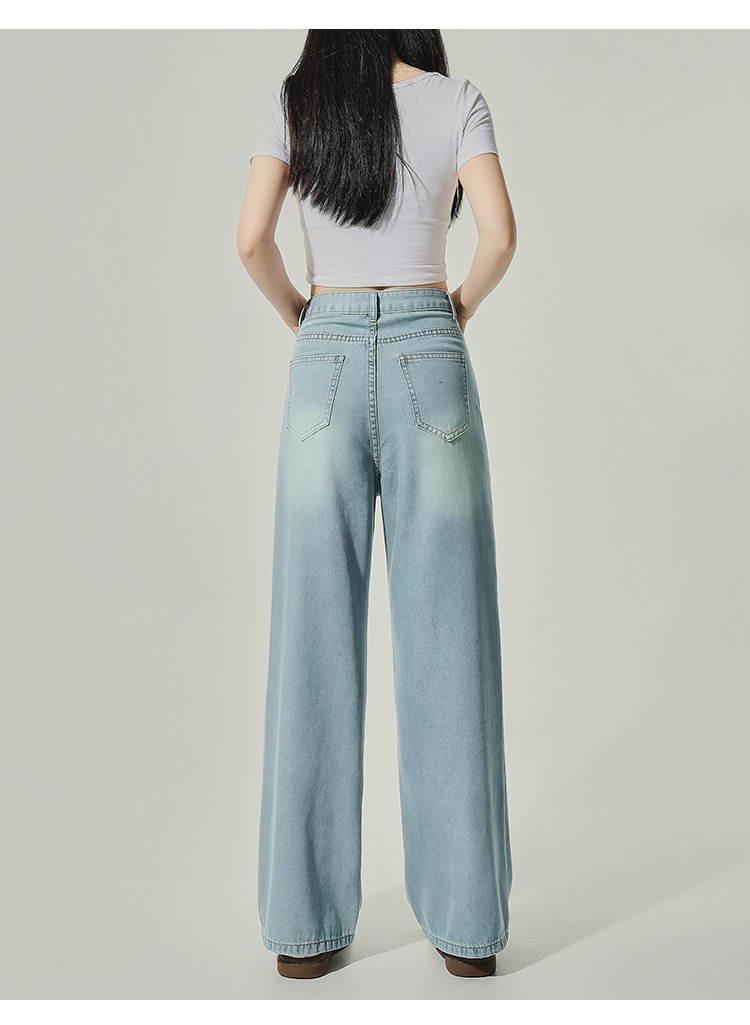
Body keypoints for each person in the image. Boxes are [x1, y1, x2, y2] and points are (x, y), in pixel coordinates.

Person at [236, 29, 516, 980]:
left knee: (310, 638)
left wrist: (302, 315)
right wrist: (456, 308)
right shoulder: (456, 99)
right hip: (431, 348)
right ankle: (468, 930)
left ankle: (304, 932)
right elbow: (500, 236)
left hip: (324, 350)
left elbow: (250, 239)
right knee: (450, 637)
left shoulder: (296, 99)